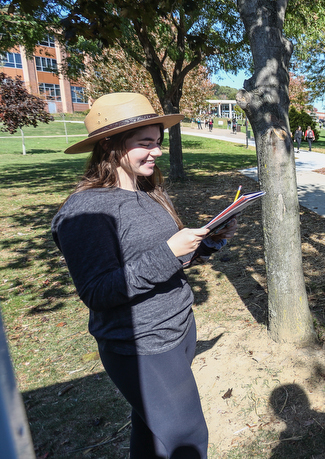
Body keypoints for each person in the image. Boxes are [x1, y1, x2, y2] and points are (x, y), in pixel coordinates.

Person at [51, 92, 237, 459]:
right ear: (109, 145)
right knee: (187, 439)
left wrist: (207, 244)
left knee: (152, 433)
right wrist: (169, 251)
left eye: (158, 142)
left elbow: (164, 261)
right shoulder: (84, 212)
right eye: (145, 143)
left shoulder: (149, 190)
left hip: (179, 328)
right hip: (142, 347)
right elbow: (98, 292)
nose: (157, 151)